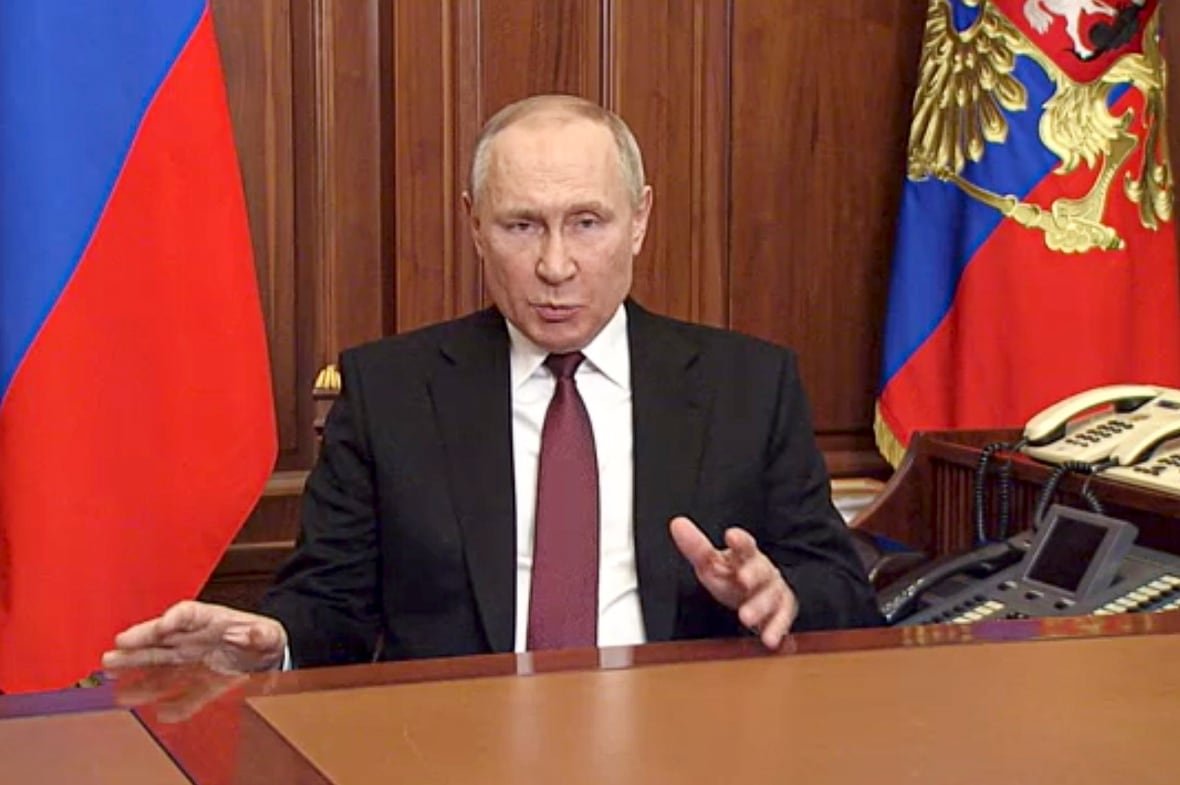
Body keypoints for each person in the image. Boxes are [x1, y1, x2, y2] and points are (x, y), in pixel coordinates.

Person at [103, 94, 881, 675]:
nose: (554, 265)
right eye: (520, 226)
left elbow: (843, 589)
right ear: (474, 223)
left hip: (682, 742)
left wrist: (780, 593)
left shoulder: (748, 382)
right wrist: (274, 640)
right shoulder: (390, 392)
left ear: (639, 219)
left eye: (587, 222)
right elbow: (329, 603)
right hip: (454, 746)